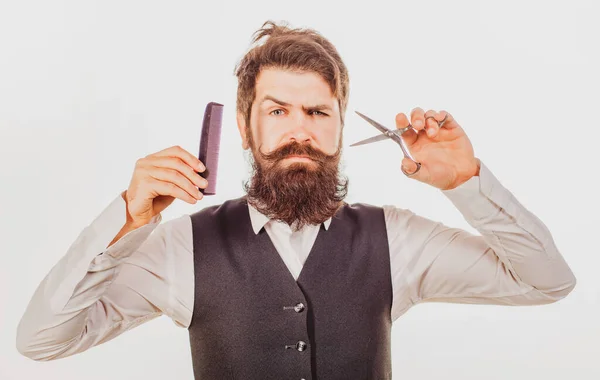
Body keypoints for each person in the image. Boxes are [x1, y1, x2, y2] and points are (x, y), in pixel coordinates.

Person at [16, 20, 576, 380]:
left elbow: (548, 281)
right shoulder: (179, 247)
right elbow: (41, 341)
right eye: (278, 111)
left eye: (317, 112)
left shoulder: (397, 239)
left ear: (338, 127)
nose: (299, 131)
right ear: (244, 126)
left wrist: (467, 183)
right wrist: (126, 218)